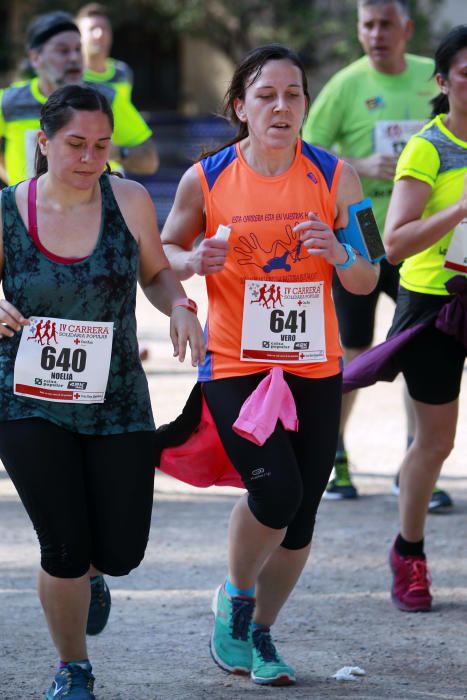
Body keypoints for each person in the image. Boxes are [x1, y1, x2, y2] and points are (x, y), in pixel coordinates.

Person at [161, 44, 379, 686]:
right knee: (275, 491)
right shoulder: (206, 178)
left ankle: (260, 634)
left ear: (307, 104)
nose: (282, 106)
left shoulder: (338, 178)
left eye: (294, 95)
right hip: (235, 361)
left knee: (303, 511)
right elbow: (166, 247)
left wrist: (339, 252)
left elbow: (367, 277)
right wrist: (193, 261)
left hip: (314, 363)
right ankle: (235, 596)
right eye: (266, 95)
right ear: (240, 107)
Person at [0, 84, 205, 699]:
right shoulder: (9, 209)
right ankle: (73, 668)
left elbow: (157, 273)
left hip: (115, 398)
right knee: (61, 544)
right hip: (25, 397)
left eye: (101, 145)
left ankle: (93, 574)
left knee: (119, 550)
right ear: (44, 142)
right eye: (75, 145)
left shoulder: (131, 199)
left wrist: (180, 306)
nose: (90, 158)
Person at [302, 0, 452, 511]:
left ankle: (417, 460)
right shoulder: (345, 84)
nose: (376, 33)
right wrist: (362, 162)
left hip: (427, 239)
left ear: (407, 29)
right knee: (353, 348)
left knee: (419, 347)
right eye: (367, 24)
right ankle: (334, 453)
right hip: (364, 228)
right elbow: (307, 150)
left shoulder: (434, 77)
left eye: (386, 23)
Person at [382, 25, 467, 612]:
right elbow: (394, 243)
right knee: (436, 441)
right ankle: (408, 552)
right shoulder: (427, 148)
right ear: (443, 81)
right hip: (436, 304)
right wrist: (461, 207)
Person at [0, 10, 158, 186]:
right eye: (63, 51)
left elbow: (149, 160)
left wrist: (115, 152)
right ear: (36, 58)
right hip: (26, 211)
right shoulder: (8, 102)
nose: (74, 58)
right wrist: (13, 183)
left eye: (78, 49)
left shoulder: (105, 99)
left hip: (92, 210)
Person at [76, 3, 133, 101]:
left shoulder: (123, 72)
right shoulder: (72, 75)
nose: (99, 34)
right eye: (92, 29)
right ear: (78, 36)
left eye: (104, 28)